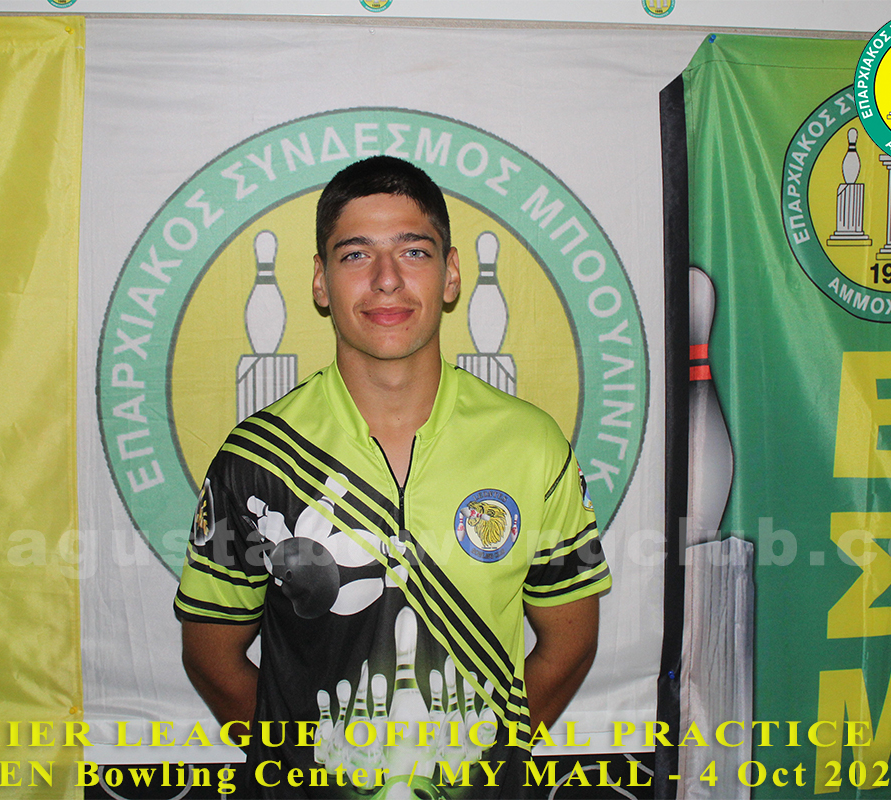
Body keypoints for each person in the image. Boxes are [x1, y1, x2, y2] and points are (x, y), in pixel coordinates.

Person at [175, 155, 610, 798]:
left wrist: (483, 768)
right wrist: (305, 773)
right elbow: (211, 658)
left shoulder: (532, 446)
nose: (386, 280)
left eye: (413, 251)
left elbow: (569, 647)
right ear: (321, 281)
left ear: (451, 273)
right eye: (356, 255)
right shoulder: (257, 458)